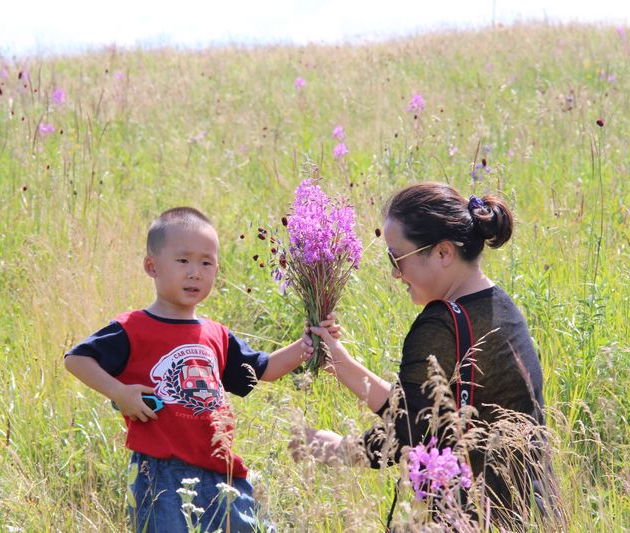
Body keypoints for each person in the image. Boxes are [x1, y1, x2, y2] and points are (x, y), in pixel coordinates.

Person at [295, 182, 561, 529]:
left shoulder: (440, 325)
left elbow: (411, 430)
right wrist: (341, 364)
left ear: (443, 253)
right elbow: (425, 414)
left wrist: (340, 449)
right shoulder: (501, 307)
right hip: (534, 512)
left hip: (478, 517)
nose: (395, 273)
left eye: (397, 258)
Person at [65, 207, 315, 533]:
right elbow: (77, 358)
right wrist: (119, 392)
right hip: (161, 472)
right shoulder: (134, 328)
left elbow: (263, 369)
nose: (195, 272)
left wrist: (306, 344)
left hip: (221, 471)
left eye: (206, 262)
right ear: (151, 266)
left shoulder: (217, 335)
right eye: (183, 261)